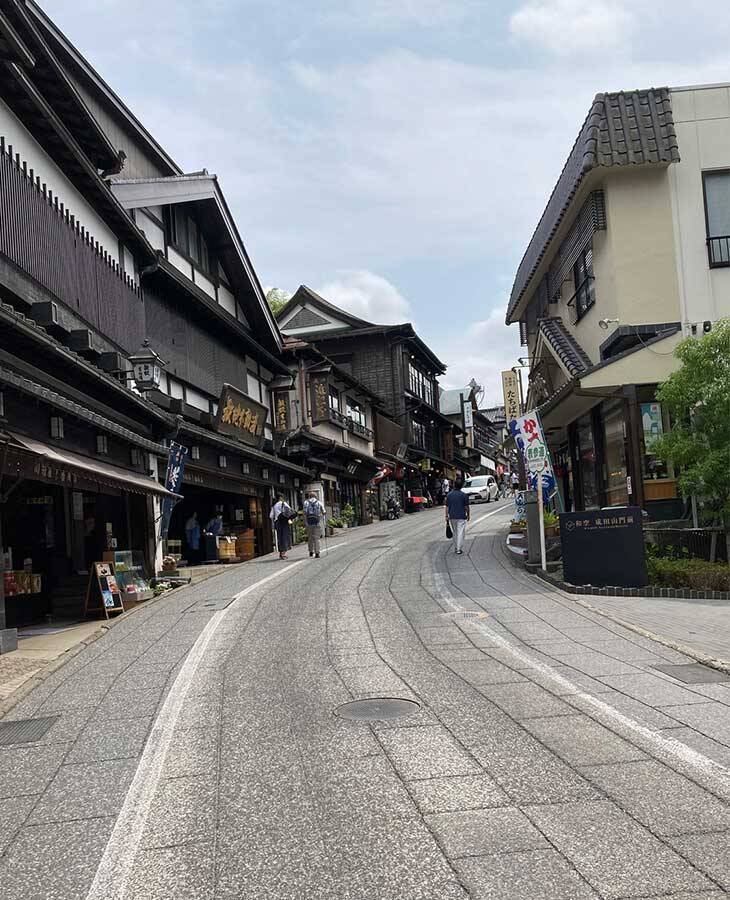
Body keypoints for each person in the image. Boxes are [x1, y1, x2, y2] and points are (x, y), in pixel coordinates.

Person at [445, 477, 470, 555]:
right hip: (461, 516)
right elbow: (466, 507)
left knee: (455, 532)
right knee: (460, 532)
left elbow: (447, 506)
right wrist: (468, 514)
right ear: (461, 486)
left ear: (454, 485)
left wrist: (446, 516)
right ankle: (458, 549)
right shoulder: (464, 495)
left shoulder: (449, 495)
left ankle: (456, 547)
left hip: (452, 516)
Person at [270, 493, 293, 559]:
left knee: (280, 538)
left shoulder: (274, 505)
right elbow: (290, 511)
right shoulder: (283, 503)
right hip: (284, 522)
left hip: (277, 523)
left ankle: (281, 553)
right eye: (283, 497)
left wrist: (277, 515)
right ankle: (283, 554)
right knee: (285, 537)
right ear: (280, 497)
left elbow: (271, 516)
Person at [303, 491, 325, 558]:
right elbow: (324, 512)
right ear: (315, 496)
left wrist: (305, 522)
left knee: (310, 538)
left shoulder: (306, 502)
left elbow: (304, 513)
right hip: (317, 522)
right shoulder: (319, 502)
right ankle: (317, 553)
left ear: (309, 496)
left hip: (309, 522)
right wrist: (320, 517)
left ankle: (311, 551)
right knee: (316, 538)